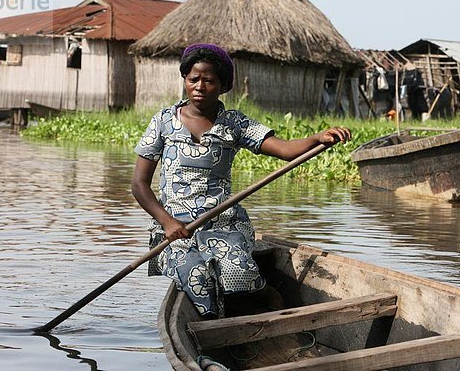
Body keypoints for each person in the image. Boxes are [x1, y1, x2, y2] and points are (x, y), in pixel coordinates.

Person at [131, 43, 351, 318]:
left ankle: (264, 294)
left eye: (209, 81)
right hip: (177, 230)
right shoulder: (163, 121)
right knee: (198, 278)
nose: (200, 86)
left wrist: (317, 138)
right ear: (185, 81)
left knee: (239, 276)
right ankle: (213, 331)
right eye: (193, 79)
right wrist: (167, 222)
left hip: (224, 225)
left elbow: (284, 149)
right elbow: (139, 184)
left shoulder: (234, 123)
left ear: (223, 86)